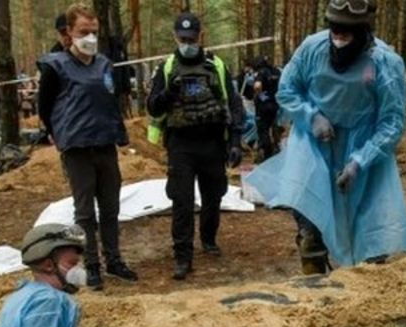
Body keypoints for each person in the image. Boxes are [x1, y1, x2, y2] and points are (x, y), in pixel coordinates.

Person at [245, 0, 406, 274]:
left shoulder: (384, 62)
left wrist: (360, 161)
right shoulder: (312, 48)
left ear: (363, 30)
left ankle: (366, 289)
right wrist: (311, 117)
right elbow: (287, 90)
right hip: (313, 146)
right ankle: (315, 283)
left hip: (365, 151)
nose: (338, 37)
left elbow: (392, 123)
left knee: (369, 233)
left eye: (346, 31)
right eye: (334, 29)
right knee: (310, 222)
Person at [38, 3, 137, 290]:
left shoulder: (104, 64)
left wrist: (119, 134)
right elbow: (44, 106)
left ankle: (114, 260)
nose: (90, 38)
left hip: (105, 144)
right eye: (84, 32)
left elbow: (111, 100)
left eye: (94, 32)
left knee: (111, 207)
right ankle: (91, 264)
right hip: (77, 148)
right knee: (84, 212)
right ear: (69, 32)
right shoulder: (55, 67)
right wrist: (56, 132)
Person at [147, 12, 245, 280]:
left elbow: (233, 104)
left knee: (214, 197)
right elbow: (153, 108)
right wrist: (169, 94)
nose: (187, 43)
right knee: (182, 201)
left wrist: (236, 141)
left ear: (201, 36)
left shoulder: (216, 65)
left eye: (191, 38)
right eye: (182, 38)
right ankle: (183, 256)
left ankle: (209, 239)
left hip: (212, 143)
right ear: (175, 37)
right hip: (181, 145)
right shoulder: (166, 68)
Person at [253, 55, 283, 160]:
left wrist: (260, 96)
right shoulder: (277, 72)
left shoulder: (261, 72)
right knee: (275, 127)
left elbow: (257, 86)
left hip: (263, 106)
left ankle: (267, 155)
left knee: (263, 130)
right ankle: (277, 148)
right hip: (275, 104)